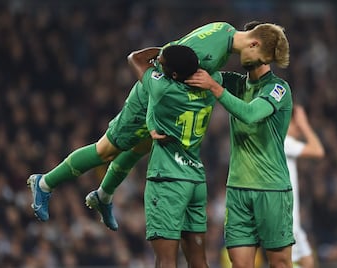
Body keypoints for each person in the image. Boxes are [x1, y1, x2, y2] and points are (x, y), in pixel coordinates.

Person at [27, 21, 283, 231]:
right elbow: (162, 63)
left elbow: (173, 51)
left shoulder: (225, 31)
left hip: (164, 97)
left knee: (140, 148)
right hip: (148, 97)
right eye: (261, 57)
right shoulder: (209, 52)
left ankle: (103, 196)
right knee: (105, 150)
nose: (258, 64)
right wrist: (151, 119)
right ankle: (45, 183)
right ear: (254, 42)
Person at [186, 21, 294, 268]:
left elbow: (250, 114)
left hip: (272, 189)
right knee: (239, 264)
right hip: (237, 189)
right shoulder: (235, 82)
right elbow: (198, 74)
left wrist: (214, 87)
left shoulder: (278, 88)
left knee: (280, 263)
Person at [128, 44, 221, 267]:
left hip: (168, 180)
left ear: (175, 74)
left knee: (166, 260)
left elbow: (135, 58)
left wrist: (163, 48)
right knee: (199, 261)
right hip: (196, 179)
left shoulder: (163, 90)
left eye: (162, 62)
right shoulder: (211, 85)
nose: (158, 61)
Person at [284, 105, 325, 268]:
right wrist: (305, 125)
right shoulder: (283, 141)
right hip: (286, 219)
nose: (299, 130)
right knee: (287, 263)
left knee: (308, 261)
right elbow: (318, 151)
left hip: (293, 220)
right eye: (297, 125)